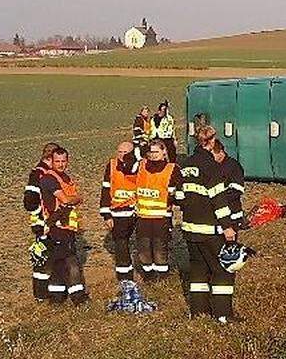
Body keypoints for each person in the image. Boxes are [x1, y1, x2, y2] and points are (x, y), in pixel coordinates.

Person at [178, 129, 247, 321]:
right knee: (223, 270)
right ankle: (223, 315)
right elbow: (219, 201)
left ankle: (199, 312)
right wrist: (227, 226)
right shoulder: (211, 167)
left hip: (190, 229)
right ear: (211, 142)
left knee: (198, 270)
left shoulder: (185, 165)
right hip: (211, 230)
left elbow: (178, 196)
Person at [38, 146, 88, 305]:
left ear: (68, 161)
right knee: (71, 262)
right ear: (51, 162)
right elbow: (65, 199)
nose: (60, 164)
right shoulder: (49, 179)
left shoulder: (65, 177)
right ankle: (78, 297)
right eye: (57, 161)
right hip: (57, 228)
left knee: (58, 263)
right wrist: (77, 198)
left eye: (63, 161)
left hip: (67, 227)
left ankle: (57, 298)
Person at [134, 139, 182, 282]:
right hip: (142, 217)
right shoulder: (141, 166)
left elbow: (179, 192)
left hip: (162, 217)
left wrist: (172, 200)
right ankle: (148, 277)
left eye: (156, 151)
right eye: (151, 152)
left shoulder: (172, 169)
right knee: (144, 248)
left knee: (160, 248)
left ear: (164, 152)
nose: (153, 155)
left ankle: (162, 278)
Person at [100, 140, 141, 281]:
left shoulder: (139, 165)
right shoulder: (111, 165)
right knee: (121, 244)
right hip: (118, 212)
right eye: (120, 152)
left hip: (137, 211)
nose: (122, 155)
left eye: (126, 152)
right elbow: (105, 189)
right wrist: (106, 215)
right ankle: (125, 277)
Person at [24, 142, 60, 301]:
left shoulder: (44, 172)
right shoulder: (38, 174)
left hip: (47, 222)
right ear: (49, 157)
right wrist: (42, 220)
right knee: (43, 259)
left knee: (48, 256)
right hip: (43, 224)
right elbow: (29, 201)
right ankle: (41, 295)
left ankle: (45, 294)